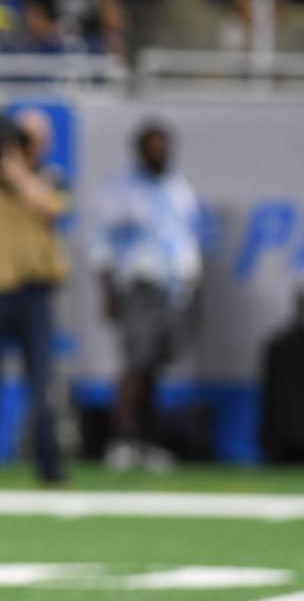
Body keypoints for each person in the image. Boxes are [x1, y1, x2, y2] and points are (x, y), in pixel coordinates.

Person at [0, 109, 69, 485]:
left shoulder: (49, 176)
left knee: (42, 389)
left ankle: (51, 472)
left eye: (32, 137)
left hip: (34, 293)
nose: (27, 143)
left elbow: (51, 207)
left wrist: (14, 166)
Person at [92, 120, 202, 472]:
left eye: (165, 147)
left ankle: (148, 441)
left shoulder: (178, 188)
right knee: (135, 366)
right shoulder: (122, 190)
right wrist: (109, 291)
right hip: (139, 288)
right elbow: (103, 244)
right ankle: (122, 440)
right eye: (154, 147)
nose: (161, 153)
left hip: (173, 290)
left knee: (154, 367)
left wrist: (195, 291)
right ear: (140, 151)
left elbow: (188, 242)